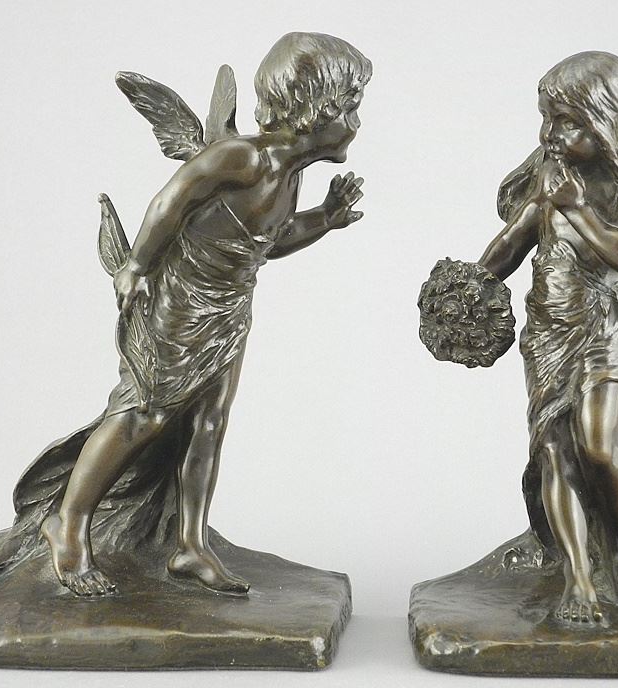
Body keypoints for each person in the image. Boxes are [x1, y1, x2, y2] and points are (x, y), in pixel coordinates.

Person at [37, 32, 371, 597]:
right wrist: (136, 265)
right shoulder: (241, 157)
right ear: (317, 110)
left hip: (230, 310)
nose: (357, 123)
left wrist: (326, 218)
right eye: (351, 108)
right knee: (143, 414)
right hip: (180, 304)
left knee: (208, 424)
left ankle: (190, 546)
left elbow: (272, 241)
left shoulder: (291, 177)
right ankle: (67, 524)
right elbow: (172, 199)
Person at [478, 51, 618, 624]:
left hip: (600, 327)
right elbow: (517, 237)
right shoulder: (551, 176)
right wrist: (471, 284)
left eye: (567, 122)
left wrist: (578, 210)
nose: (551, 133)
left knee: (597, 446)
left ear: (605, 122)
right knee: (554, 449)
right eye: (547, 119)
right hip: (548, 327)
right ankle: (577, 577)